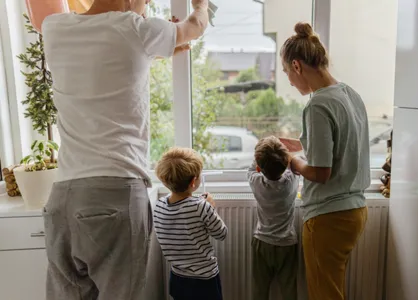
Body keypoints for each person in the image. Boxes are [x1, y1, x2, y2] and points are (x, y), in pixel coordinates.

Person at [40, 0, 209, 299]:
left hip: (63, 199)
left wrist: (154, 49)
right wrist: (200, 5)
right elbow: (195, 27)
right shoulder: (137, 29)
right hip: (114, 195)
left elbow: (103, 64)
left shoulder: (55, 29)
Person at [280, 22, 370, 300]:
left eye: (286, 73)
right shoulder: (348, 94)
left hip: (329, 217)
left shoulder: (317, 104)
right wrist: (301, 143)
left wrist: (290, 161)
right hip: (353, 211)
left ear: (297, 66)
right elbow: (344, 142)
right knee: (332, 290)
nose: (290, 81)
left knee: (324, 295)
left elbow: (320, 172)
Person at [154, 147, 227, 300]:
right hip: (205, 280)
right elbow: (221, 233)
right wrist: (210, 208)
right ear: (194, 182)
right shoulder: (201, 207)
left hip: (178, 278)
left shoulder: (159, 205)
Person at [247, 136, 300, 300]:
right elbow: (295, 165)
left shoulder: (256, 182)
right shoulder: (291, 181)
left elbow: (252, 168)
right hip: (287, 244)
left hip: (262, 243)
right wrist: (285, 151)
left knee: (259, 290)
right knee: (289, 290)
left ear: (259, 167)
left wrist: (263, 148)